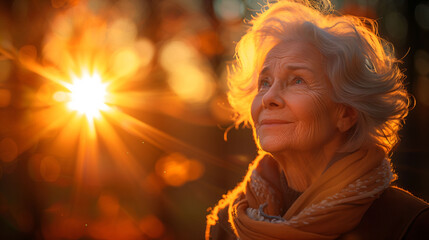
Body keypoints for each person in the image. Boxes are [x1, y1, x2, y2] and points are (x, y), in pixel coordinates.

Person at [206, 0, 429, 239]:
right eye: (265, 83)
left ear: (346, 113)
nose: (269, 97)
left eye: (297, 80)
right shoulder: (227, 223)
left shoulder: (410, 226)